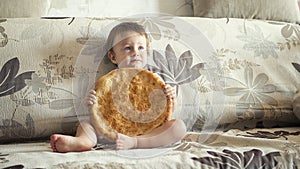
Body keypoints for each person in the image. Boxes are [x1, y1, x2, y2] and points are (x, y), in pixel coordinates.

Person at [50, 22, 187, 152]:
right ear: (113, 57)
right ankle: (83, 142)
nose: (135, 52)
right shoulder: (107, 82)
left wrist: (170, 98)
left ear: (147, 53)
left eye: (141, 48)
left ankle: (136, 142)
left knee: (178, 127)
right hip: (108, 130)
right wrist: (89, 101)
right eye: (128, 48)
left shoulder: (155, 81)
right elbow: (95, 109)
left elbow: (165, 112)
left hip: (148, 132)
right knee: (85, 125)